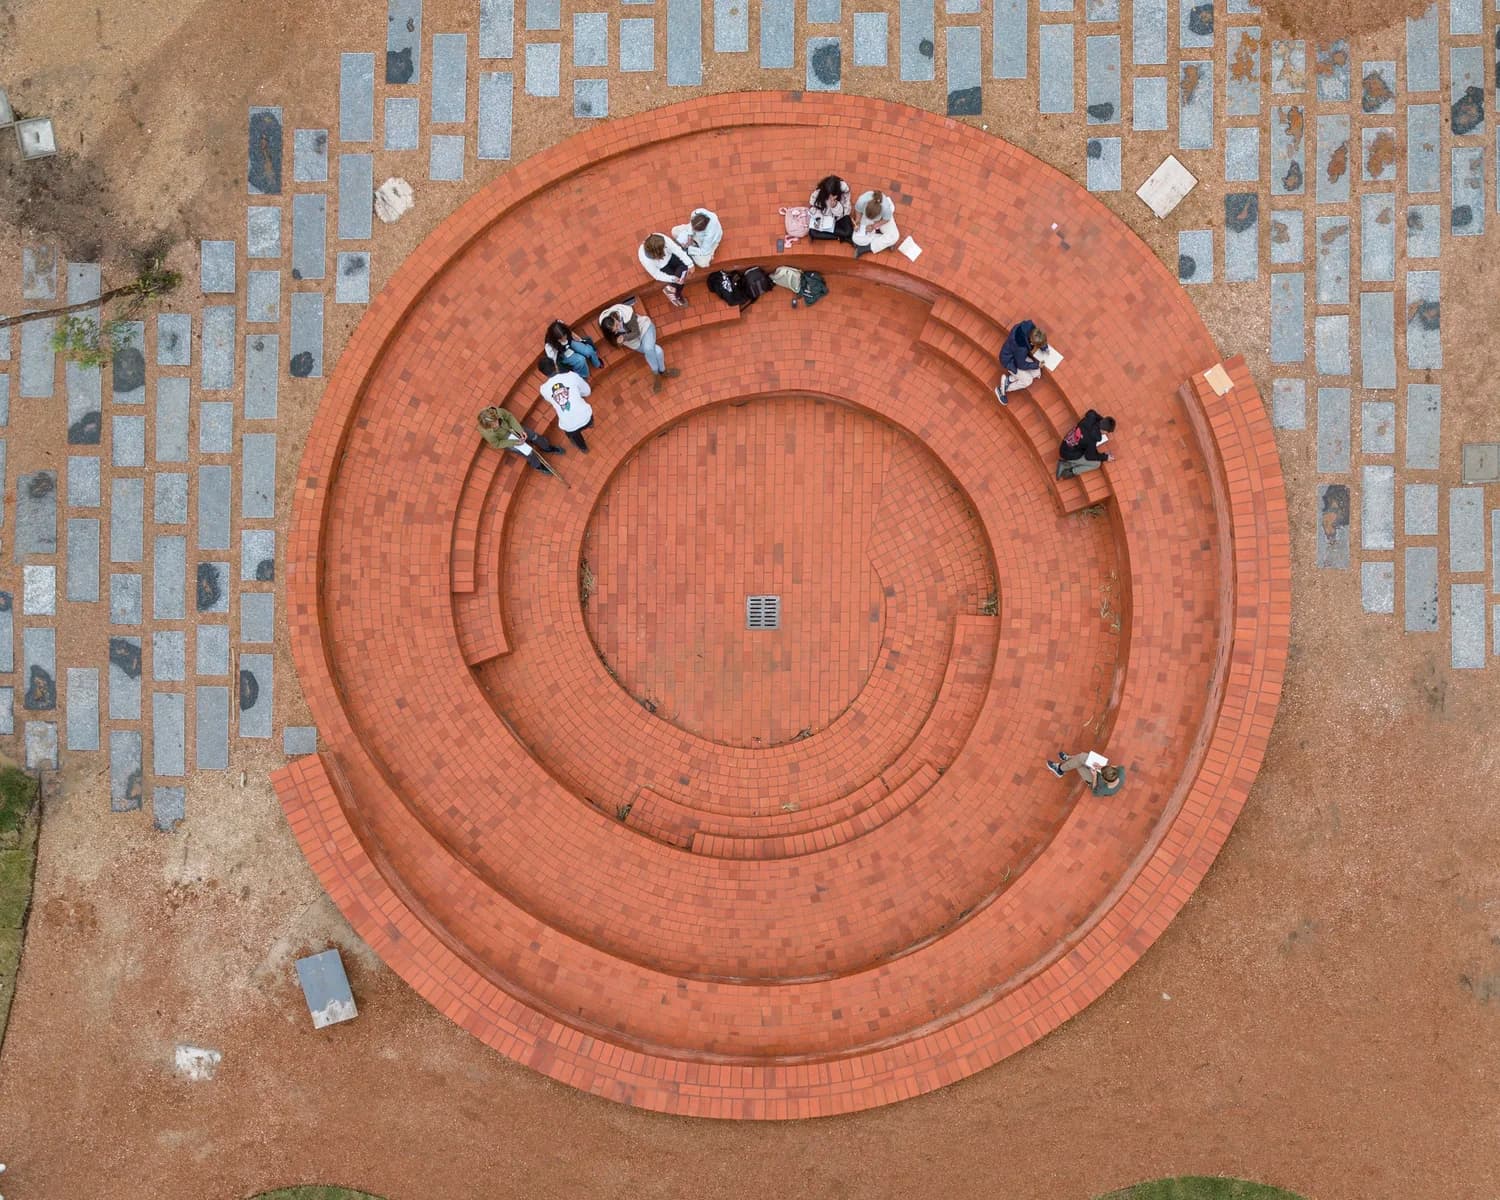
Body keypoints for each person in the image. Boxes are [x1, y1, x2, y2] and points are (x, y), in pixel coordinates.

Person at [599, 300, 679, 391]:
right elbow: (612, 338)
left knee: (649, 349)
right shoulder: (605, 324)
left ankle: (656, 374)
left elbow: (636, 332)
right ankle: (663, 371)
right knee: (658, 351)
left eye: (617, 325)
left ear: (614, 318)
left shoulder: (627, 314)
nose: (618, 329)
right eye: (615, 331)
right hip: (632, 341)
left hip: (643, 328)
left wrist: (624, 337)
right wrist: (619, 340)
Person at [477, 405, 565, 472]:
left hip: (512, 428)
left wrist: (520, 431)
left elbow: (509, 418)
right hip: (507, 439)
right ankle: (538, 466)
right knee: (528, 453)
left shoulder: (498, 412)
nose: (497, 424)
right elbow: (497, 444)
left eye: (496, 421)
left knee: (534, 436)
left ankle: (547, 448)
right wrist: (514, 442)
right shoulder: (488, 434)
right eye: (493, 425)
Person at [538, 362, 595, 453]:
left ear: (543, 374)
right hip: (586, 417)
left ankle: (583, 448)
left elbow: (550, 400)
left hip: (570, 426)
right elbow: (587, 391)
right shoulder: (571, 376)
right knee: (586, 417)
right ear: (555, 366)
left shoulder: (544, 389)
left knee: (570, 433)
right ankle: (591, 424)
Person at [995, 320, 1050, 404]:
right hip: (1010, 361)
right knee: (1028, 381)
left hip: (1016, 356)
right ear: (1031, 342)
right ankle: (1003, 389)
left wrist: (1044, 347)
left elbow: (1038, 337)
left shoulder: (1029, 327)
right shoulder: (1021, 348)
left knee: (1036, 372)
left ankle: (1009, 379)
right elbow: (1021, 365)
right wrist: (1037, 364)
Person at [639, 233, 695, 308]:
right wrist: (673, 278)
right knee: (679, 281)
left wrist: (690, 264)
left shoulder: (662, 239)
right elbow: (656, 274)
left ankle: (671, 289)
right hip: (662, 267)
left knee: (684, 269)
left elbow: (677, 250)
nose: (665, 247)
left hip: (671, 257)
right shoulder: (646, 259)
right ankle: (677, 295)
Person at [1058, 410, 1116, 477]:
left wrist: (1103, 422)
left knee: (1087, 447)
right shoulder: (1092, 439)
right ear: (1104, 431)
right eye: (1107, 432)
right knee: (1096, 464)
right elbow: (1090, 456)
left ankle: (1068, 464)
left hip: (1065, 445)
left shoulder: (1091, 417)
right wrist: (1105, 457)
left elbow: (1091, 411)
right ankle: (1070, 470)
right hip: (1068, 454)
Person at [1045, 749, 1127, 796]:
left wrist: (1094, 776)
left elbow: (1094, 790)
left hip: (1094, 781)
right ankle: (1066, 762)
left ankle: (1060, 769)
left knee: (1079, 765)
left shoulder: (1104, 790)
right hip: (1102, 770)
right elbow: (1115, 767)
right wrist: (1101, 767)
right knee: (1083, 756)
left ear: (1105, 780)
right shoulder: (1121, 771)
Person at [852, 189, 899, 257]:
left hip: (882, 220)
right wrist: (858, 222)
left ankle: (865, 249)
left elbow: (886, 220)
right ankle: (886, 242)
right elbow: (858, 210)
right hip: (868, 217)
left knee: (895, 236)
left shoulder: (886, 209)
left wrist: (874, 226)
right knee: (855, 238)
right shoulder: (862, 200)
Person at [808, 175, 854, 242]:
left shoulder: (844, 191)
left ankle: (839, 235)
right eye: (828, 195)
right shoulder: (819, 192)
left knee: (848, 232)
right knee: (813, 232)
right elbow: (813, 204)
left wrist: (835, 206)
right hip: (824, 218)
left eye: (833, 195)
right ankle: (839, 237)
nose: (830, 197)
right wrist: (819, 215)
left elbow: (845, 210)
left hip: (839, 218)